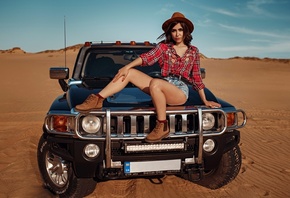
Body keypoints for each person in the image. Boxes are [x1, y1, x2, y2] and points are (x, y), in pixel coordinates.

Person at [75, 12, 221, 142]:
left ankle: (162, 125)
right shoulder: (163, 47)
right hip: (161, 85)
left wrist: (205, 100)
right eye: (174, 30)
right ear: (170, 32)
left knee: (156, 83)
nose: (177, 34)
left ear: (185, 31)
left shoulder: (193, 51)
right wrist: (127, 66)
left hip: (179, 91)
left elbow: (196, 78)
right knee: (130, 73)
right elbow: (147, 58)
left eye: (180, 30)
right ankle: (98, 99)